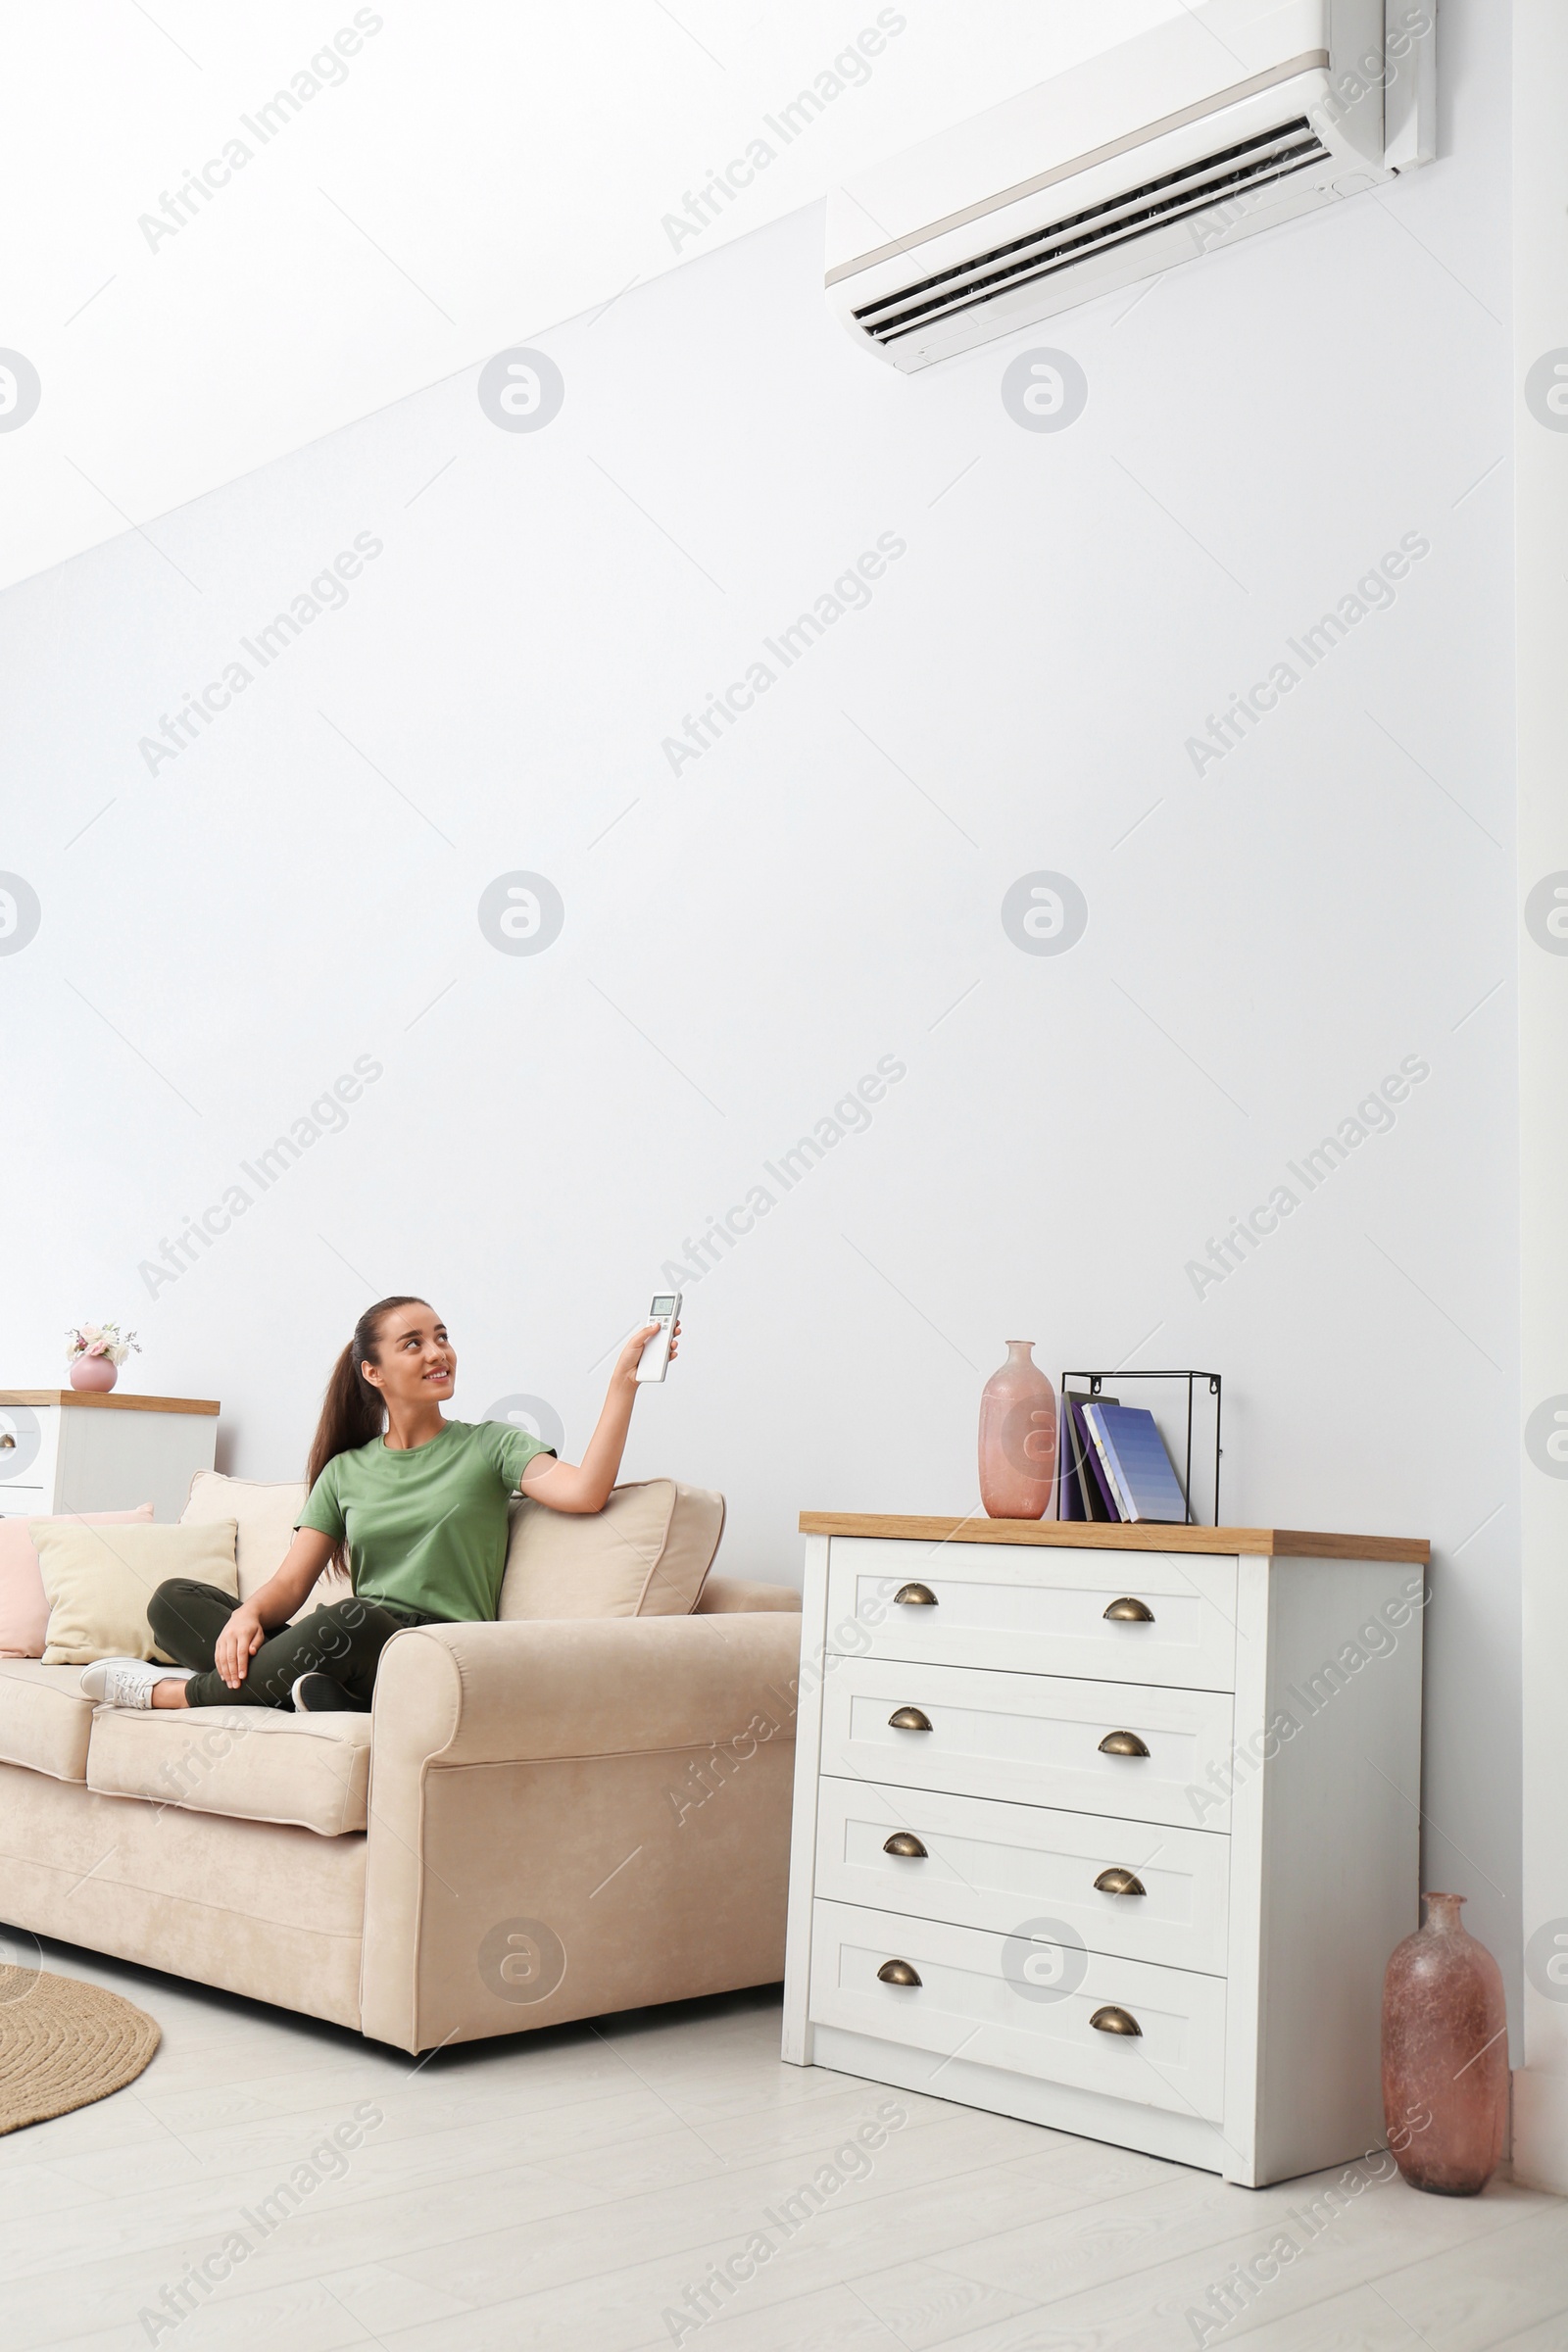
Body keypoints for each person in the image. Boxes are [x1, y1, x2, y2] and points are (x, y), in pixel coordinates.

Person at [80, 1294, 675, 1714]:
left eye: (441, 1336)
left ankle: (173, 1693)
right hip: (349, 1649)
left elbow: (585, 1491)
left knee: (349, 1616)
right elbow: (289, 1586)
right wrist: (247, 1616)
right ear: (374, 1371)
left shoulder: (492, 1445)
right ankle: (313, 1694)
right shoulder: (345, 1471)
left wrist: (622, 1384)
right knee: (174, 1600)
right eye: (413, 1343)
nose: (437, 1352)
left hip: (436, 1651)